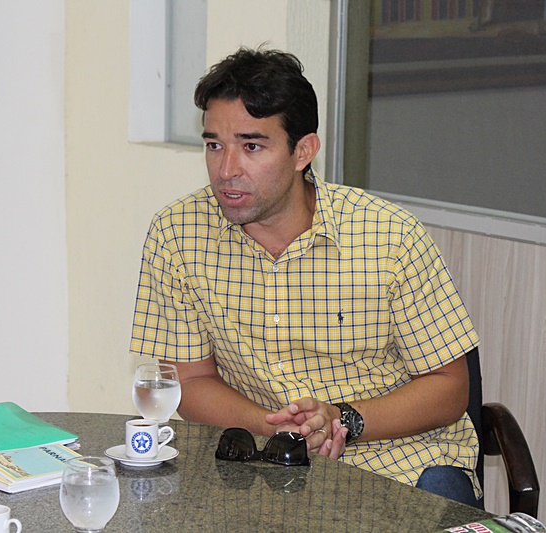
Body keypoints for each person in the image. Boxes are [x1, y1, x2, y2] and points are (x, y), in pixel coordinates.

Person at [130, 47, 481, 507]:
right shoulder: (177, 234)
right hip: (258, 462)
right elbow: (190, 381)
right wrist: (276, 428)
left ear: (303, 151)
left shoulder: (390, 236)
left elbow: (449, 387)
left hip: (399, 459)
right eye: (214, 145)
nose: (226, 170)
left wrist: (340, 421)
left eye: (251, 146)